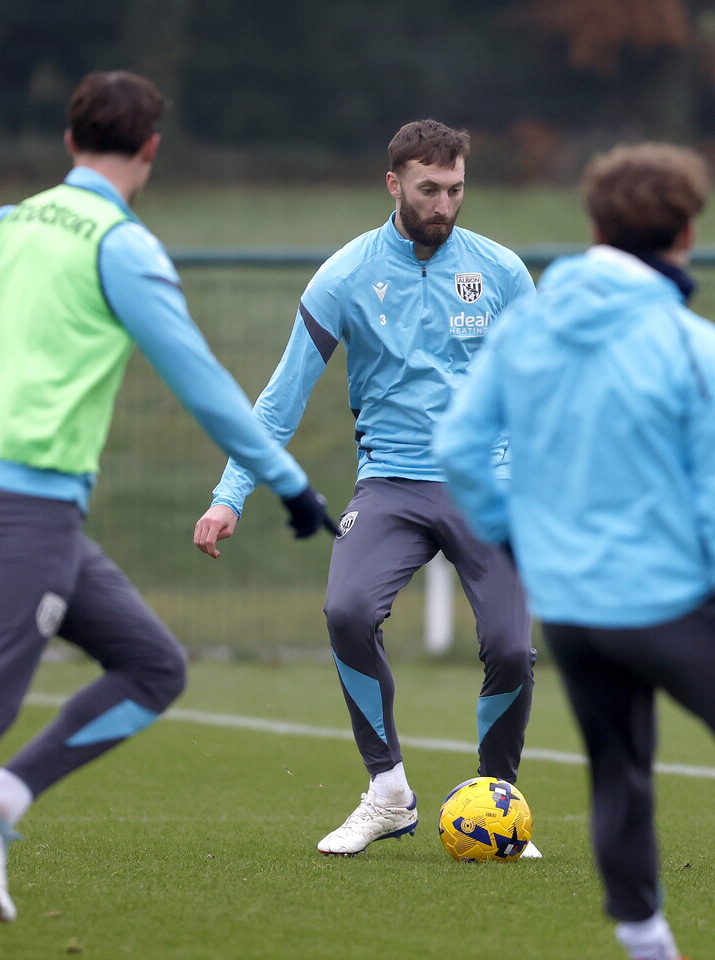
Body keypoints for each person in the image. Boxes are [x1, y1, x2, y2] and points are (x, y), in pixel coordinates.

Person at [0, 70, 336, 924]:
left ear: (68, 141)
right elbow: (201, 384)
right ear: (152, 150)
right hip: (31, 513)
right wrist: (290, 484)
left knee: (155, 666)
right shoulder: (120, 247)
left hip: (9, 506)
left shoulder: (5, 225)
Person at [435, 143, 715, 960]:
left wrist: (518, 537)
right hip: (671, 602)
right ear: (686, 232)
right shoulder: (696, 347)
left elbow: (459, 446)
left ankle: (646, 943)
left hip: (570, 607)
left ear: (596, 224)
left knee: (620, 772)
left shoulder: (526, 327)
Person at [192, 118, 539, 858]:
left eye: (455, 190)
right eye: (429, 190)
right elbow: (281, 400)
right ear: (393, 185)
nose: (444, 204)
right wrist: (230, 494)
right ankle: (388, 792)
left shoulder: (504, 273)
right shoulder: (346, 276)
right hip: (390, 483)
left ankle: (497, 800)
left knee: (512, 648)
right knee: (346, 609)